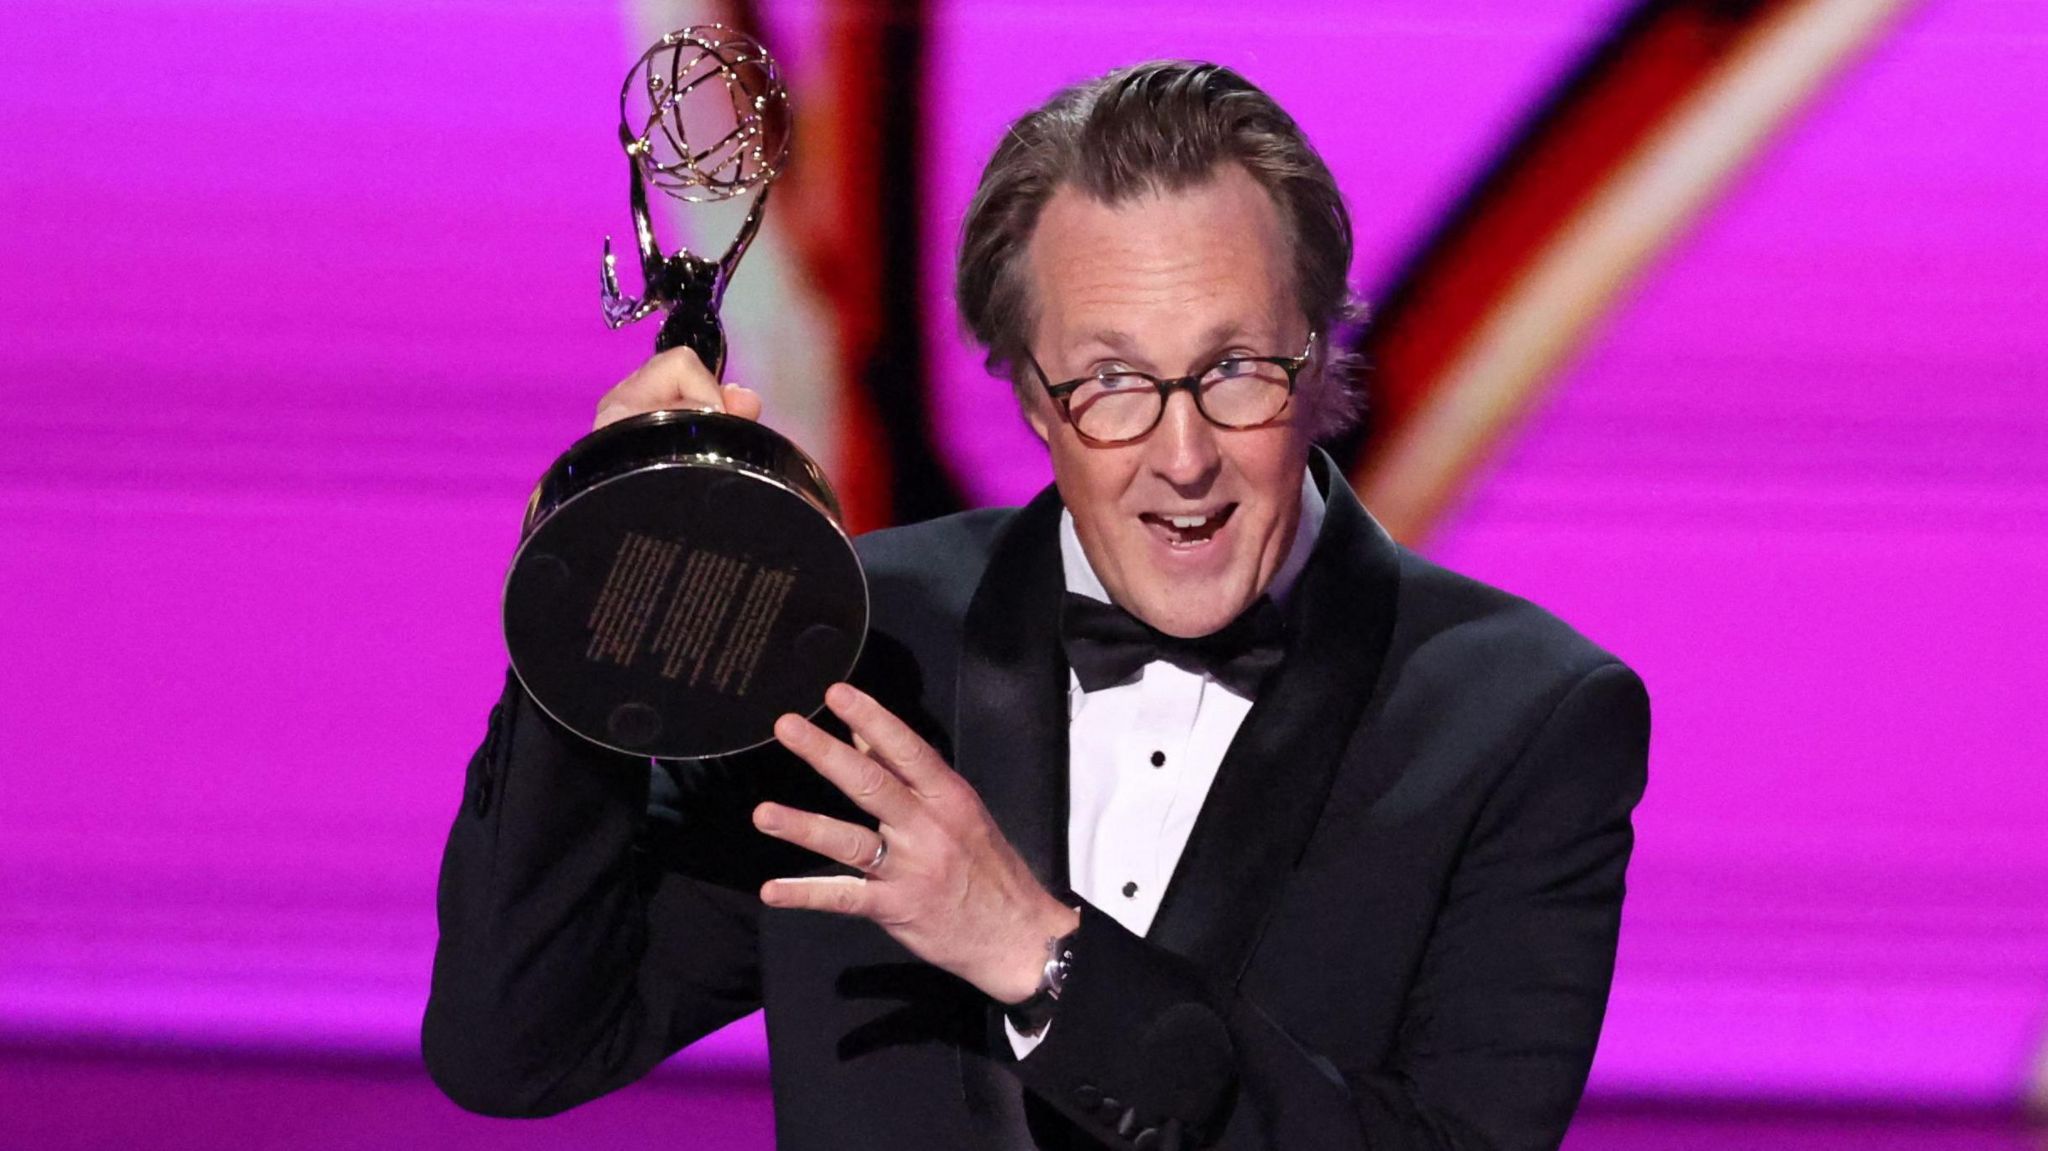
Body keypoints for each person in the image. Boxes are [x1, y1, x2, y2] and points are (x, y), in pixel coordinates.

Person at [423, 61, 1649, 1151]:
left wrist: (1040, 959)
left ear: (1322, 357)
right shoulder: (863, 641)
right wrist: (593, 601)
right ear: (1028, 397)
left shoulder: (1527, 717)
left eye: (1232, 372)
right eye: (1110, 381)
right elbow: (519, 1044)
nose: (1181, 456)